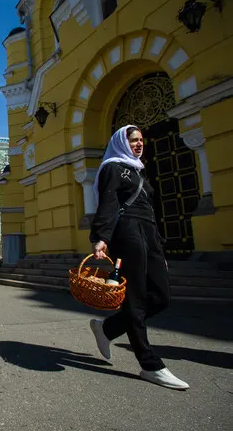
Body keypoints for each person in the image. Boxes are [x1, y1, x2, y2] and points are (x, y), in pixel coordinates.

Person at [89, 125, 188, 390]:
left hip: (149, 233)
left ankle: (108, 328)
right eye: (133, 140)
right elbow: (108, 202)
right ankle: (150, 365)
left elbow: (150, 209)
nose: (139, 144)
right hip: (128, 233)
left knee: (161, 297)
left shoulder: (139, 169)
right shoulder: (112, 168)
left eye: (141, 140)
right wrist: (102, 237)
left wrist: (159, 245)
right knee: (135, 298)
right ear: (122, 142)